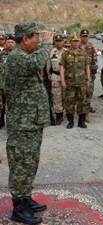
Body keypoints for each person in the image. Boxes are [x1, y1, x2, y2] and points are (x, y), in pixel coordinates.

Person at [5, 21, 53, 224]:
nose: (39, 41)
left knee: (30, 162)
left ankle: (25, 198)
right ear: (25, 39)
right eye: (36, 38)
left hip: (31, 120)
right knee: (21, 164)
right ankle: (18, 208)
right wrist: (48, 45)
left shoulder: (24, 55)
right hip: (22, 124)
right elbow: (36, 63)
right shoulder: (16, 58)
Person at [60, 34, 91, 129]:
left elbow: (87, 67)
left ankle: (81, 122)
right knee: (69, 102)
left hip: (81, 82)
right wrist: (62, 81)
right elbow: (62, 67)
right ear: (70, 42)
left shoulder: (83, 53)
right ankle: (70, 122)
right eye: (74, 41)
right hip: (70, 82)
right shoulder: (65, 54)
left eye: (77, 41)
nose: (75, 43)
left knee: (82, 102)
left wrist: (88, 79)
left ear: (79, 42)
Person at [46, 34, 65, 125]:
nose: (58, 43)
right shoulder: (52, 52)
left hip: (65, 77)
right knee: (56, 96)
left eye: (60, 41)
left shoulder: (67, 52)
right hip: (55, 76)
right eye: (57, 41)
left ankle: (67, 113)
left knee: (65, 96)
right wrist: (49, 75)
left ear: (63, 42)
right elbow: (48, 64)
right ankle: (58, 115)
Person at [80, 29, 98, 113]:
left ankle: (88, 106)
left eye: (86, 36)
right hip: (79, 73)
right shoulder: (77, 46)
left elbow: (95, 58)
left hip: (89, 73)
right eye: (83, 36)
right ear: (80, 37)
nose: (85, 38)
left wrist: (94, 69)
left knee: (89, 90)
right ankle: (80, 107)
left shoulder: (91, 46)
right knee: (80, 91)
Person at [0, 34, 16, 129]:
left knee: (12, 105)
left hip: (14, 85)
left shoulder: (19, 55)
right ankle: (1, 120)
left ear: (15, 44)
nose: (10, 44)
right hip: (2, 83)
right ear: (5, 43)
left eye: (12, 42)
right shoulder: (1, 55)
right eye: (8, 42)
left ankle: (12, 124)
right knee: (1, 104)